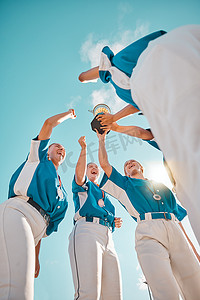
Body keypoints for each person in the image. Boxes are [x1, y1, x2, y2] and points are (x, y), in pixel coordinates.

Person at [79, 25, 200, 245]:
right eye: (128, 165)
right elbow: (141, 131)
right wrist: (112, 124)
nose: (131, 164)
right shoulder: (165, 131)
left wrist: (112, 119)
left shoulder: (123, 72)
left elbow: (83, 77)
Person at [96, 130, 200, 300]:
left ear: (141, 167)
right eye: (126, 165)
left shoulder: (162, 187)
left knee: (195, 285)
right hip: (148, 231)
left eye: (133, 161)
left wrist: (194, 252)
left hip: (174, 228)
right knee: (165, 289)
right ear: (126, 173)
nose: (129, 163)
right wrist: (101, 139)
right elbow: (105, 165)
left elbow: (179, 221)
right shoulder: (125, 184)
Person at [0, 109, 76, 300]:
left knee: (22, 286)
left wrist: (36, 256)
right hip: (18, 212)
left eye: (64, 149)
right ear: (47, 151)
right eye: (56, 146)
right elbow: (48, 124)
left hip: (34, 231)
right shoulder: (37, 159)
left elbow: (42, 228)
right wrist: (69, 114)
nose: (61, 149)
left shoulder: (62, 194)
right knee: (18, 288)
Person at [68, 136, 122, 300]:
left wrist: (114, 221)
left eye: (95, 167)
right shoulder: (83, 186)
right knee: (89, 293)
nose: (94, 168)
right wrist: (84, 149)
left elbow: (106, 213)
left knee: (114, 295)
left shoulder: (106, 194)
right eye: (90, 166)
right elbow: (79, 175)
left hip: (107, 237)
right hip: (87, 230)